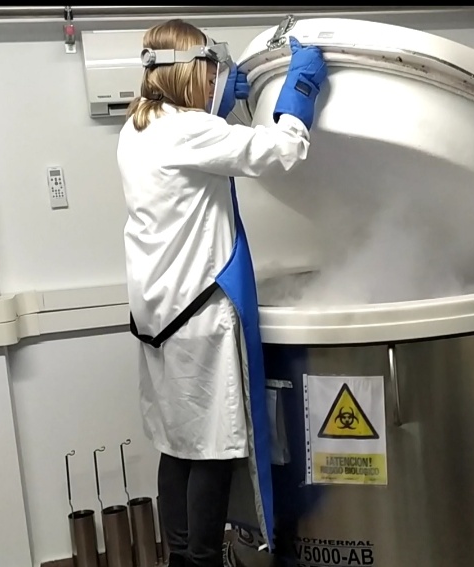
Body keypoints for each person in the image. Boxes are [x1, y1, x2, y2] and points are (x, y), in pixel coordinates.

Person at [117, 19, 329, 567]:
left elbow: (201, 157)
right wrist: (300, 88)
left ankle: (181, 557)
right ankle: (203, 560)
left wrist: (222, 109)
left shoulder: (139, 126)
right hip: (198, 320)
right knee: (211, 448)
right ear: (191, 72)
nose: (219, 80)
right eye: (213, 71)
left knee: (176, 443)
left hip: (159, 317)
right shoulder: (190, 131)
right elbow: (282, 151)